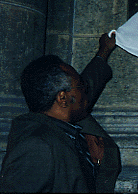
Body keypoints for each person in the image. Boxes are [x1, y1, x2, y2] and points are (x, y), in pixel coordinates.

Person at [0, 33, 121, 193]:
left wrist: (103, 52)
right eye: (81, 87)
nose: (86, 92)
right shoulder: (37, 147)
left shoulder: (59, 130)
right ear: (62, 98)